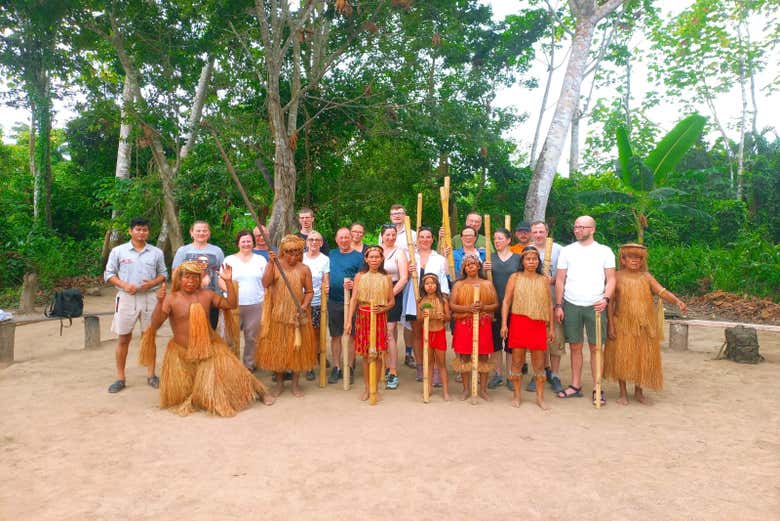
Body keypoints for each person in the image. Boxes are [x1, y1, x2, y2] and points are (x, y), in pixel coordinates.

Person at [141, 260, 273, 416]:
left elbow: (230, 304)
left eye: (195, 278)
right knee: (186, 394)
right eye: (187, 277)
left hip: (210, 347)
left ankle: (261, 391)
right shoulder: (171, 298)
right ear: (179, 279)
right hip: (181, 352)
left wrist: (228, 282)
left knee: (236, 370)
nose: (191, 281)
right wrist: (159, 302)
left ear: (200, 279)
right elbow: (155, 325)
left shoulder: (207, 295)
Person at [605, 243, 686, 405]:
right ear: (623, 259)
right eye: (631, 257)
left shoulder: (646, 277)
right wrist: (611, 325)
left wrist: (676, 300)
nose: (635, 261)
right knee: (622, 357)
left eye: (638, 258)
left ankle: (639, 391)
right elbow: (610, 302)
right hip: (622, 324)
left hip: (644, 326)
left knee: (641, 358)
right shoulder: (617, 277)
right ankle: (622, 393)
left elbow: (661, 291)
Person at [554, 215, 615, 404]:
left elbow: (611, 279)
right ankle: (575, 385)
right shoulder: (567, 251)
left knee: (597, 348)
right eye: (576, 226)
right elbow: (560, 280)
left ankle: (598, 387)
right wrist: (558, 305)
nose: (578, 230)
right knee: (575, 346)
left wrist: (605, 298)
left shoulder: (604, 251)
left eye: (582, 227)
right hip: (571, 304)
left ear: (592, 229)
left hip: (596, 305)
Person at [104, 217, 167, 393]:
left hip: (149, 297)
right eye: (138, 229)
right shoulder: (118, 251)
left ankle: (151, 375)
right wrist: (124, 285)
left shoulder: (156, 252)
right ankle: (120, 378)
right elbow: (109, 274)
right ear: (131, 231)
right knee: (123, 337)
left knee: (149, 337)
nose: (141, 233)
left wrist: (151, 283)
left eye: (145, 230)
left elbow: (163, 274)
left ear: (148, 232)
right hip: (126, 298)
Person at [255, 235, 317, 398]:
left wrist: (303, 307)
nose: (293, 257)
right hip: (277, 315)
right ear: (283, 252)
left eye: (296, 253)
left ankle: (296, 384)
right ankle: (280, 383)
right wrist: (270, 263)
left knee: (297, 350)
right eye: (289, 253)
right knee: (278, 350)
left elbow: (310, 292)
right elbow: (265, 283)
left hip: (297, 317)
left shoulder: (304, 269)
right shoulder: (275, 266)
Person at [501, 247, 554, 409]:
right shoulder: (515, 277)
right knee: (517, 361)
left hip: (538, 323)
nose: (531, 262)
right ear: (522, 261)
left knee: (539, 362)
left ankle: (539, 397)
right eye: (528, 259)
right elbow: (506, 301)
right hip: (518, 321)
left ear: (538, 261)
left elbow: (549, 304)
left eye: (534, 259)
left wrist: (551, 328)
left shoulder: (544, 279)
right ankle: (517, 396)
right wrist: (504, 324)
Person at [345, 246, 394, 401]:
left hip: (379, 318)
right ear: (366, 259)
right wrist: (349, 321)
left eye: (377, 257)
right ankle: (367, 387)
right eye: (371, 257)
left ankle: (375, 387)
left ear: (381, 259)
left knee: (378, 354)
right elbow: (353, 300)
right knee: (366, 355)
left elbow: (391, 302)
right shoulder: (360, 276)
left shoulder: (386, 278)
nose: (374, 260)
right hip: (363, 317)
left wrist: (383, 309)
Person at [449, 254, 498, 401]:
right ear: (463, 268)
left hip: (483, 323)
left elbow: (495, 304)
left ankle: (482, 390)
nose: (470, 267)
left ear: (478, 266)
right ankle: (465, 389)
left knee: (483, 355)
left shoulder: (487, 284)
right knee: (464, 356)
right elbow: (452, 305)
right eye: (467, 264)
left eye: (473, 264)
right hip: (464, 323)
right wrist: (467, 308)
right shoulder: (459, 285)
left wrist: (483, 306)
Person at [405, 226, 450, 382]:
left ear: (432, 239)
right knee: (417, 333)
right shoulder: (410, 256)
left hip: (434, 301)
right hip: (414, 300)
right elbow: (402, 276)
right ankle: (420, 366)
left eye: (428, 237)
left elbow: (443, 280)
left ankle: (436, 369)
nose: (424, 240)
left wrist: (443, 302)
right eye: (421, 237)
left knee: (434, 333)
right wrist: (408, 268)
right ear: (417, 239)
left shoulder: (439, 258)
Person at [526, 220, 565, 394]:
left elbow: (564, 275)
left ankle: (555, 375)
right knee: (537, 340)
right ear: (531, 233)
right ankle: (538, 372)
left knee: (555, 338)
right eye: (535, 232)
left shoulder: (559, 250)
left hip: (554, 298)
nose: (538, 235)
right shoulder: (528, 250)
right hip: (534, 303)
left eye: (541, 231)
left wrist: (553, 280)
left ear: (547, 232)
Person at [224, 229, 267, 372]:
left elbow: (266, 282)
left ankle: (249, 365)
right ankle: (231, 365)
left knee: (252, 337)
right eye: (243, 241)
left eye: (249, 241)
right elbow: (221, 281)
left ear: (253, 243)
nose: (246, 244)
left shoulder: (260, 260)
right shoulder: (229, 260)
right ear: (238, 243)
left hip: (255, 303)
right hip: (232, 304)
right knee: (229, 338)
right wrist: (230, 291)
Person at [484, 228, 520, 391]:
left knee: (511, 343)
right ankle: (497, 374)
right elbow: (482, 280)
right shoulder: (489, 259)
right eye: (495, 239)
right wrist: (484, 269)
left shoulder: (518, 259)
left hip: (514, 306)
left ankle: (511, 375)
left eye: (500, 238)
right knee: (496, 342)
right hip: (494, 306)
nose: (496, 241)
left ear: (508, 240)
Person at [327, 228, 364, 384]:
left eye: (347, 237)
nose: (344, 240)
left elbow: (363, 278)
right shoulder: (331, 255)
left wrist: (354, 284)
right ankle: (336, 366)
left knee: (351, 335)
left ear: (351, 238)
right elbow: (326, 274)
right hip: (334, 301)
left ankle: (349, 366)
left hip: (352, 302)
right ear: (336, 239)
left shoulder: (358, 257)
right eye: (341, 237)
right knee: (335, 335)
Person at [172, 221, 225, 329]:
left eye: (205, 231)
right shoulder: (183, 251)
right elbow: (175, 273)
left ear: (209, 233)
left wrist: (223, 294)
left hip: (211, 298)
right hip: (187, 298)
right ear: (191, 233)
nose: (201, 233)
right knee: (189, 331)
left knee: (210, 330)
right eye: (198, 231)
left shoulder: (217, 251)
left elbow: (222, 274)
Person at [379, 224, 409, 389]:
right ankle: (381, 365)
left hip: (394, 294)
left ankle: (392, 371)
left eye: (393, 234)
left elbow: (404, 278)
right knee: (378, 331)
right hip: (375, 293)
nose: (390, 237)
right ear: (382, 235)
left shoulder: (400, 253)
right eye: (387, 235)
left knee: (389, 332)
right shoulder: (376, 250)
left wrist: (389, 295)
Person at [418, 273, 451, 401]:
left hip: (439, 332)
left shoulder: (442, 300)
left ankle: (446, 391)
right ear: (423, 286)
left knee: (441, 363)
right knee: (429, 362)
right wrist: (425, 316)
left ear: (437, 285)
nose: (430, 286)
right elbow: (418, 319)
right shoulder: (421, 301)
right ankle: (428, 388)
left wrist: (443, 317)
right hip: (427, 334)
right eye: (427, 284)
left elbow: (448, 317)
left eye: (432, 283)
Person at [303, 231, 330, 381]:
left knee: (316, 333)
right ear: (307, 242)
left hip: (318, 301)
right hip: (301, 301)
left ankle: (316, 358)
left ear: (321, 243)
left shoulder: (324, 259)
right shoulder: (301, 257)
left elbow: (326, 279)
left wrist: (327, 287)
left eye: (317, 240)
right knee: (305, 332)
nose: (314, 242)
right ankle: (307, 363)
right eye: (311, 239)